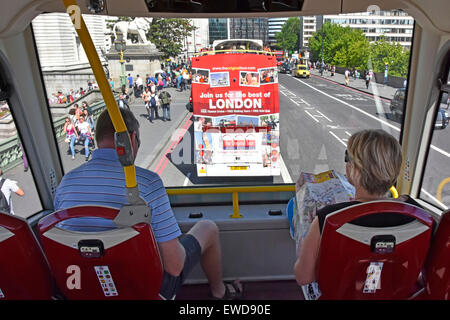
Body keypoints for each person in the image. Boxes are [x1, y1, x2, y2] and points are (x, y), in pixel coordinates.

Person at [53, 108, 243, 300]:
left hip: (86, 287)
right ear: (132, 138)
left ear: (96, 137)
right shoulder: (147, 182)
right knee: (208, 227)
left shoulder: (66, 183)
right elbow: (174, 266)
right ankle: (220, 292)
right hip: (141, 289)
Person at [294, 129, 425, 286]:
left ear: (353, 169)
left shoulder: (328, 218)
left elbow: (303, 277)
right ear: (395, 170)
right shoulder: (421, 216)